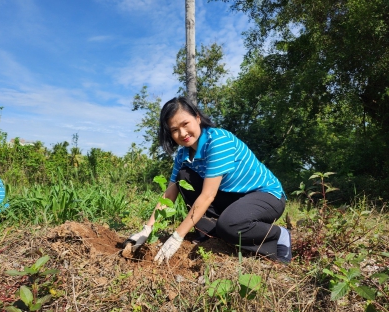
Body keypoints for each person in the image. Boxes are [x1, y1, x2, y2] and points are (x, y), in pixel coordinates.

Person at [124, 97, 291, 264]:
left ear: (197, 118)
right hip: (231, 197)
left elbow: (208, 195)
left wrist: (177, 236)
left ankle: (278, 235)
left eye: (185, 124)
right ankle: (212, 233)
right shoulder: (182, 155)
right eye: (174, 130)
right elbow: (169, 195)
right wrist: (147, 229)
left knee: (230, 225)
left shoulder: (218, 141)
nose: (182, 133)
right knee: (184, 176)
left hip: (265, 195)